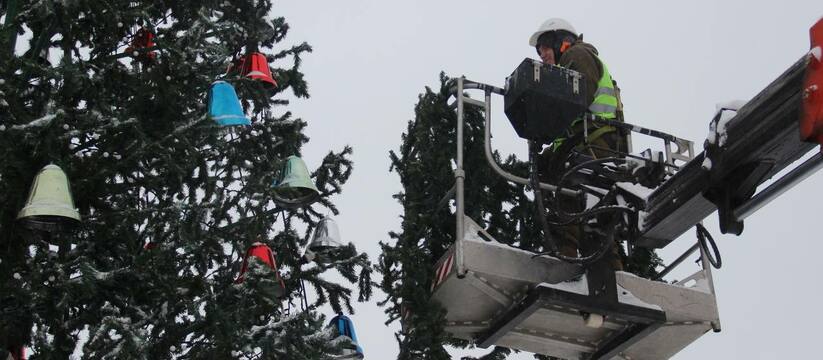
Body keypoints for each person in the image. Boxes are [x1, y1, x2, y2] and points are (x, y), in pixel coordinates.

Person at [530, 18, 627, 270]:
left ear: (562, 42)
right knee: (596, 218)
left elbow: (574, 101)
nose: (542, 55)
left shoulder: (577, 55)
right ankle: (610, 274)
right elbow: (568, 127)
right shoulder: (569, 64)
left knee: (570, 204)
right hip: (588, 143)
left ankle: (565, 265)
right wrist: (549, 155)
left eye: (545, 48)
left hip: (594, 145)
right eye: (539, 52)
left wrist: (541, 123)